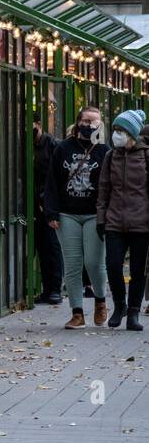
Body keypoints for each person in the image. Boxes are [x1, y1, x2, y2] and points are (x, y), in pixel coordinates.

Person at [44, 106, 110, 329]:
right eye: (87, 120)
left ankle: (101, 301)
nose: (90, 125)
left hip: (94, 214)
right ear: (78, 121)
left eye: (95, 122)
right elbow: (52, 182)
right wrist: (51, 212)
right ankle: (77, 312)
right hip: (67, 214)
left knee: (93, 262)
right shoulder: (63, 148)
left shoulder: (104, 151)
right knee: (72, 265)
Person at [97, 109, 149, 330]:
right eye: (115, 129)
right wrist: (102, 219)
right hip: (115, 221)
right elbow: (103, 190)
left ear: (132, 133)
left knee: (138, 270)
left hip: (141, 222)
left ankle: (134, 312)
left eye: (121, 130)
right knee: (113, 265)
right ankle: (120, 305)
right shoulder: (111, 156)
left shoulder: (146, 155)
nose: (116, 134)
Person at [33, 118, 63, 304]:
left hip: (47, 203)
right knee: (41, 247)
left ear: (39, 123)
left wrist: (49, 200)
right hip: (32, 203)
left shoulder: (52, 145)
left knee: (51, 245)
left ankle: (54, 288)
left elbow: (55, 176)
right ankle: (46, 287)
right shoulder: (25, 144)